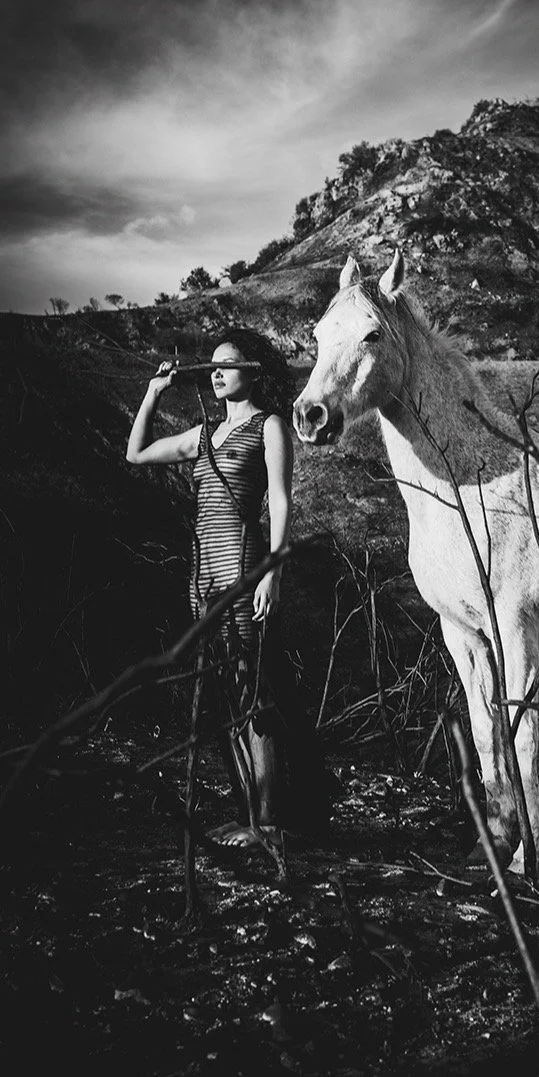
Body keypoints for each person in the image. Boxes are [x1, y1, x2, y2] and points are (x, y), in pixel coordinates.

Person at [126, 328, 328, 846]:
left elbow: (280, 502)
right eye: (211, 366)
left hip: (245, 571)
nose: (216, 373)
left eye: (228, 364)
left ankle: (269, 823)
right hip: (204, 579)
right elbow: (137, 453)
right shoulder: (203, 434)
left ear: (254, 371)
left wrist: (274, 573)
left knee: (253, 691)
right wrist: (153, 392)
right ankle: (249, 814)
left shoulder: (270, 426)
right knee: (224, 696)